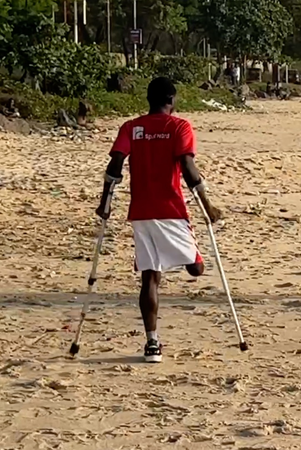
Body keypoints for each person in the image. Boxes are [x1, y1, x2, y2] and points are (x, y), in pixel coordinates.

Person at [95, 77, 222, 363]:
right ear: (172, 99)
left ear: (149, 99)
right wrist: (208, 205)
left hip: (140, 211)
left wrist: (104, 202)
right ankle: (152, 342)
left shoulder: (131, 128)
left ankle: (152, 343)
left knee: (150, 277)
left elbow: (115, 164)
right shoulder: (179, 126)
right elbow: (189, 168)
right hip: (171, 210)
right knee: (197, 269)